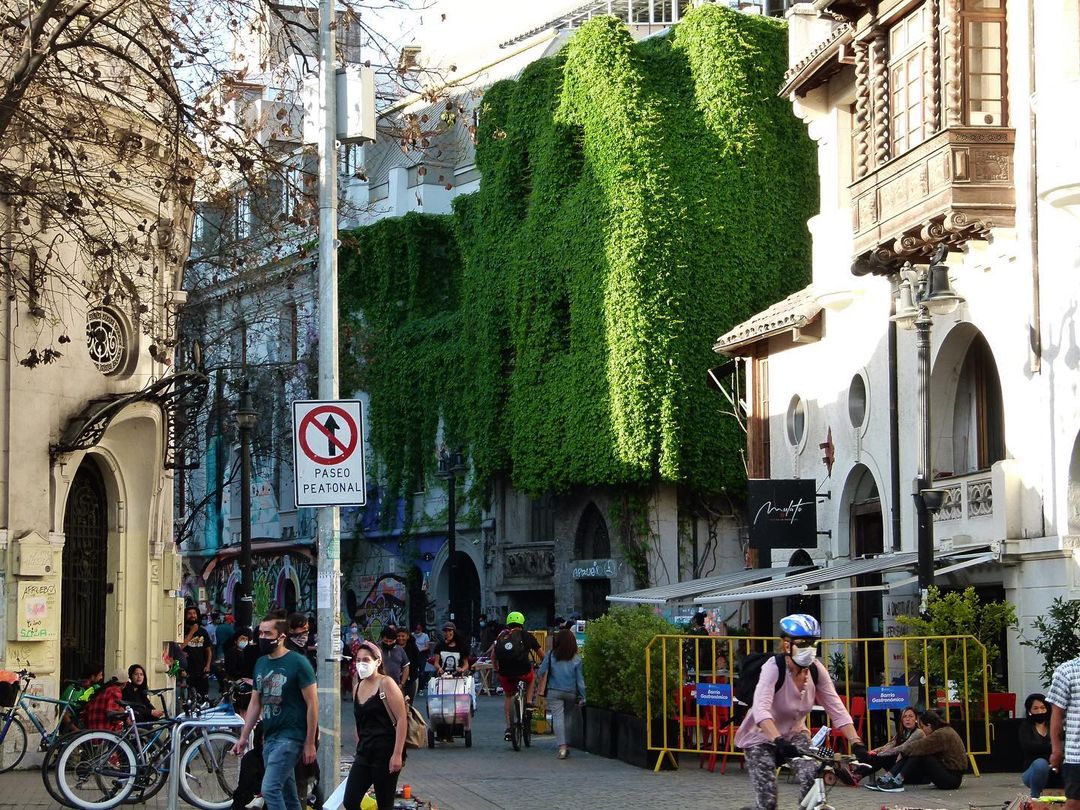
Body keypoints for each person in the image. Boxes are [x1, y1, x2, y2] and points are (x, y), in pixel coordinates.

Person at [734, 614, 866, 810]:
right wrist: (778, 741)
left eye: (814, 643)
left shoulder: (815, 669)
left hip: (795, 735)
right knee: (768, 801)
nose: (810, 649)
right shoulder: (773, 667)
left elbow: (836, 707)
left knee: (812, 775)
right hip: (761, 737)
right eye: (803, 643)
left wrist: (856, 742)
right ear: (787, 645)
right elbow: (761, 709)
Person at [232, 613, 318, 810]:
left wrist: (310, 742)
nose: (262, 637)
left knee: (269, 789)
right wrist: (244, 737)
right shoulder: (261, 663)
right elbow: (255, 703)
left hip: (292, 736)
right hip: (270, 736)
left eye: (267, 633)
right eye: (260, 633)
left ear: (281, 637)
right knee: (288, 794)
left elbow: (313, 703)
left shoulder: (298, 663)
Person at [341, 640, 407, 810]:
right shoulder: (357, 688)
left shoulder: (386, 683)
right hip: (364, 753)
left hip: (385, 753)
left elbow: (401, 719)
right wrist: (359, 745)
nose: (361, 664)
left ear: (377, 662)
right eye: (358, 660)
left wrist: (397, 754)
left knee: (385, 804)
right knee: (350, 801)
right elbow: (358, 722)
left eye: (366, 660)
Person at [867, 710, 966, 792]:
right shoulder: (944, 731)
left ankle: (897, 781)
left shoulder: (941, 734)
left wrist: (903, 753)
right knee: (916, 751)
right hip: (949, 774)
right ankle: (888, 778)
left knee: (919, 753)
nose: (923, 730)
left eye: (923, 727)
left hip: (951, 779)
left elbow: (918, 746)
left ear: (929, 725)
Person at [537, 628, 585, 760]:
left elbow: (541, 672)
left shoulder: (551, 655)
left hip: (554, 691)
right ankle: (567, 744)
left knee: (557, 717)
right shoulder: (577, 659)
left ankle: (562, 747)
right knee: (568, 717)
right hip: (571, 692)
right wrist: (582, 696)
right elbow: (580, 680)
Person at [493, 611, 541, 743]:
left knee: (508, 695)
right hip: (523, 671)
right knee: (531, 677)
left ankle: (509, 728)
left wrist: (497, 669)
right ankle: (529, 701)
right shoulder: (527, 636)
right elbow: (541, 654)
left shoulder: (502, 636)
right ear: (522, 623)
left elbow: (493, 655)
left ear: (508, 624)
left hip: (505, 673)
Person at [857, 706, 922, 787]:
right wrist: (873, 752)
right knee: (878, 755)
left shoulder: (918, 732)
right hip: (898, 767)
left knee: (884, 756)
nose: (907, 719)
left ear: (916, 719)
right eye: (905, 717)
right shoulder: (902, 732)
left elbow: (903, 747)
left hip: (911, 769)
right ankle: (857, 774)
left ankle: (858, 775)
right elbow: (889, 745)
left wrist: (882, 753)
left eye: (910, 716)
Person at [1048, 652, 1080, 810]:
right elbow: (1057, 714)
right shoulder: (1067, 671)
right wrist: (1056, 749)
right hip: (1077, 755)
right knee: (1074, 804)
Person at [1021, 693, 1062, 799]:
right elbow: (1029, 747)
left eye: (1042, 708)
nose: (1039, 711)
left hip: (1056, 769)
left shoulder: (1055, 726)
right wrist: (1053, 748)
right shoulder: (1025, 727)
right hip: (1033, 771)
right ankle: (1035, 798)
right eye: (1035, 708)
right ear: (1030, 711)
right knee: (1040, 764)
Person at [182, 605, 213, 699]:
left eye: (194, 613)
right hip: (187, 672)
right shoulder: (181, 631)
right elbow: (180, 647)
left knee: (203, 698)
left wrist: (207, 665)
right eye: (189, 614)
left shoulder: (203, 632)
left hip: (201, 671)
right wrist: (192, 632)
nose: (192, 616)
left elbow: (208, 650)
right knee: (188, 698)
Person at [396, 627, 422, 703]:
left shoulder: (413, 647)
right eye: (398, 636)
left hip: (411, 679)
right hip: (396, 680)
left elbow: (417, 662)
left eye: (403, 636)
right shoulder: (394, 648)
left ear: (407, 636)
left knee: (409, 703)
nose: (400, 638)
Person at [379, 626, 410, 690]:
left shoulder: (399, 649)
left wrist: (402, 684)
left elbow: (406, 667)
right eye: (386, 641)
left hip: (396, 686)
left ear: (395, 640)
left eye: (390, 641)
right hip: (379, 686)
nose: (388, 643)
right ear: (382, 639)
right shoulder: (376, 649)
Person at [683, 612, 711, 677]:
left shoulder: (701, 632)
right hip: (698, 660)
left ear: (695, 620)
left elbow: (702, 648)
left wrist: (699, 661)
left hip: (700, 661)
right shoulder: (700, 631)